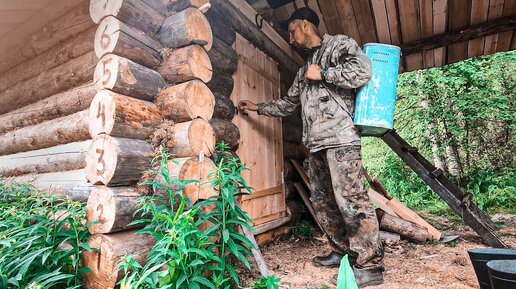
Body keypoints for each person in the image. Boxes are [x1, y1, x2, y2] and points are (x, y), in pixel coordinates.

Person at [238, 7, 384, 287]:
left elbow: (363, 70)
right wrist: (258, 107)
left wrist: (325, 74)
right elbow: (288, 103)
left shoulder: (338, 44)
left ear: (305, 25)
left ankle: (370, 264)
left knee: (352, 201)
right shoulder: (304, 70)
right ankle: (343, 252)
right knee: (324, 203)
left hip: (341, 140)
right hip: (315, 145)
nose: (290, 39)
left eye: (292, 32)